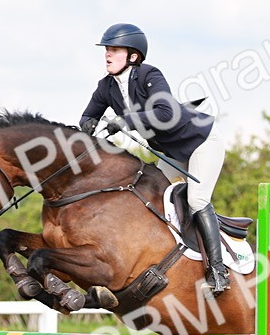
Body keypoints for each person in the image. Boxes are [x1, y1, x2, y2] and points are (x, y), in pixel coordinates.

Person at [79, 23, 230, 296]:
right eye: (107, 50)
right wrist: (88, 126)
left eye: (114, 50)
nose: (108, 55)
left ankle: (218, 272)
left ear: (133, 56)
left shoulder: (149, 75)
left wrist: (125, 120)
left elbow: (164, 113)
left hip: (200, 143)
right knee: (154, 198)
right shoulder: (106, 87)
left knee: (196, 200)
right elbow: (88, 115)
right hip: (172, 154)